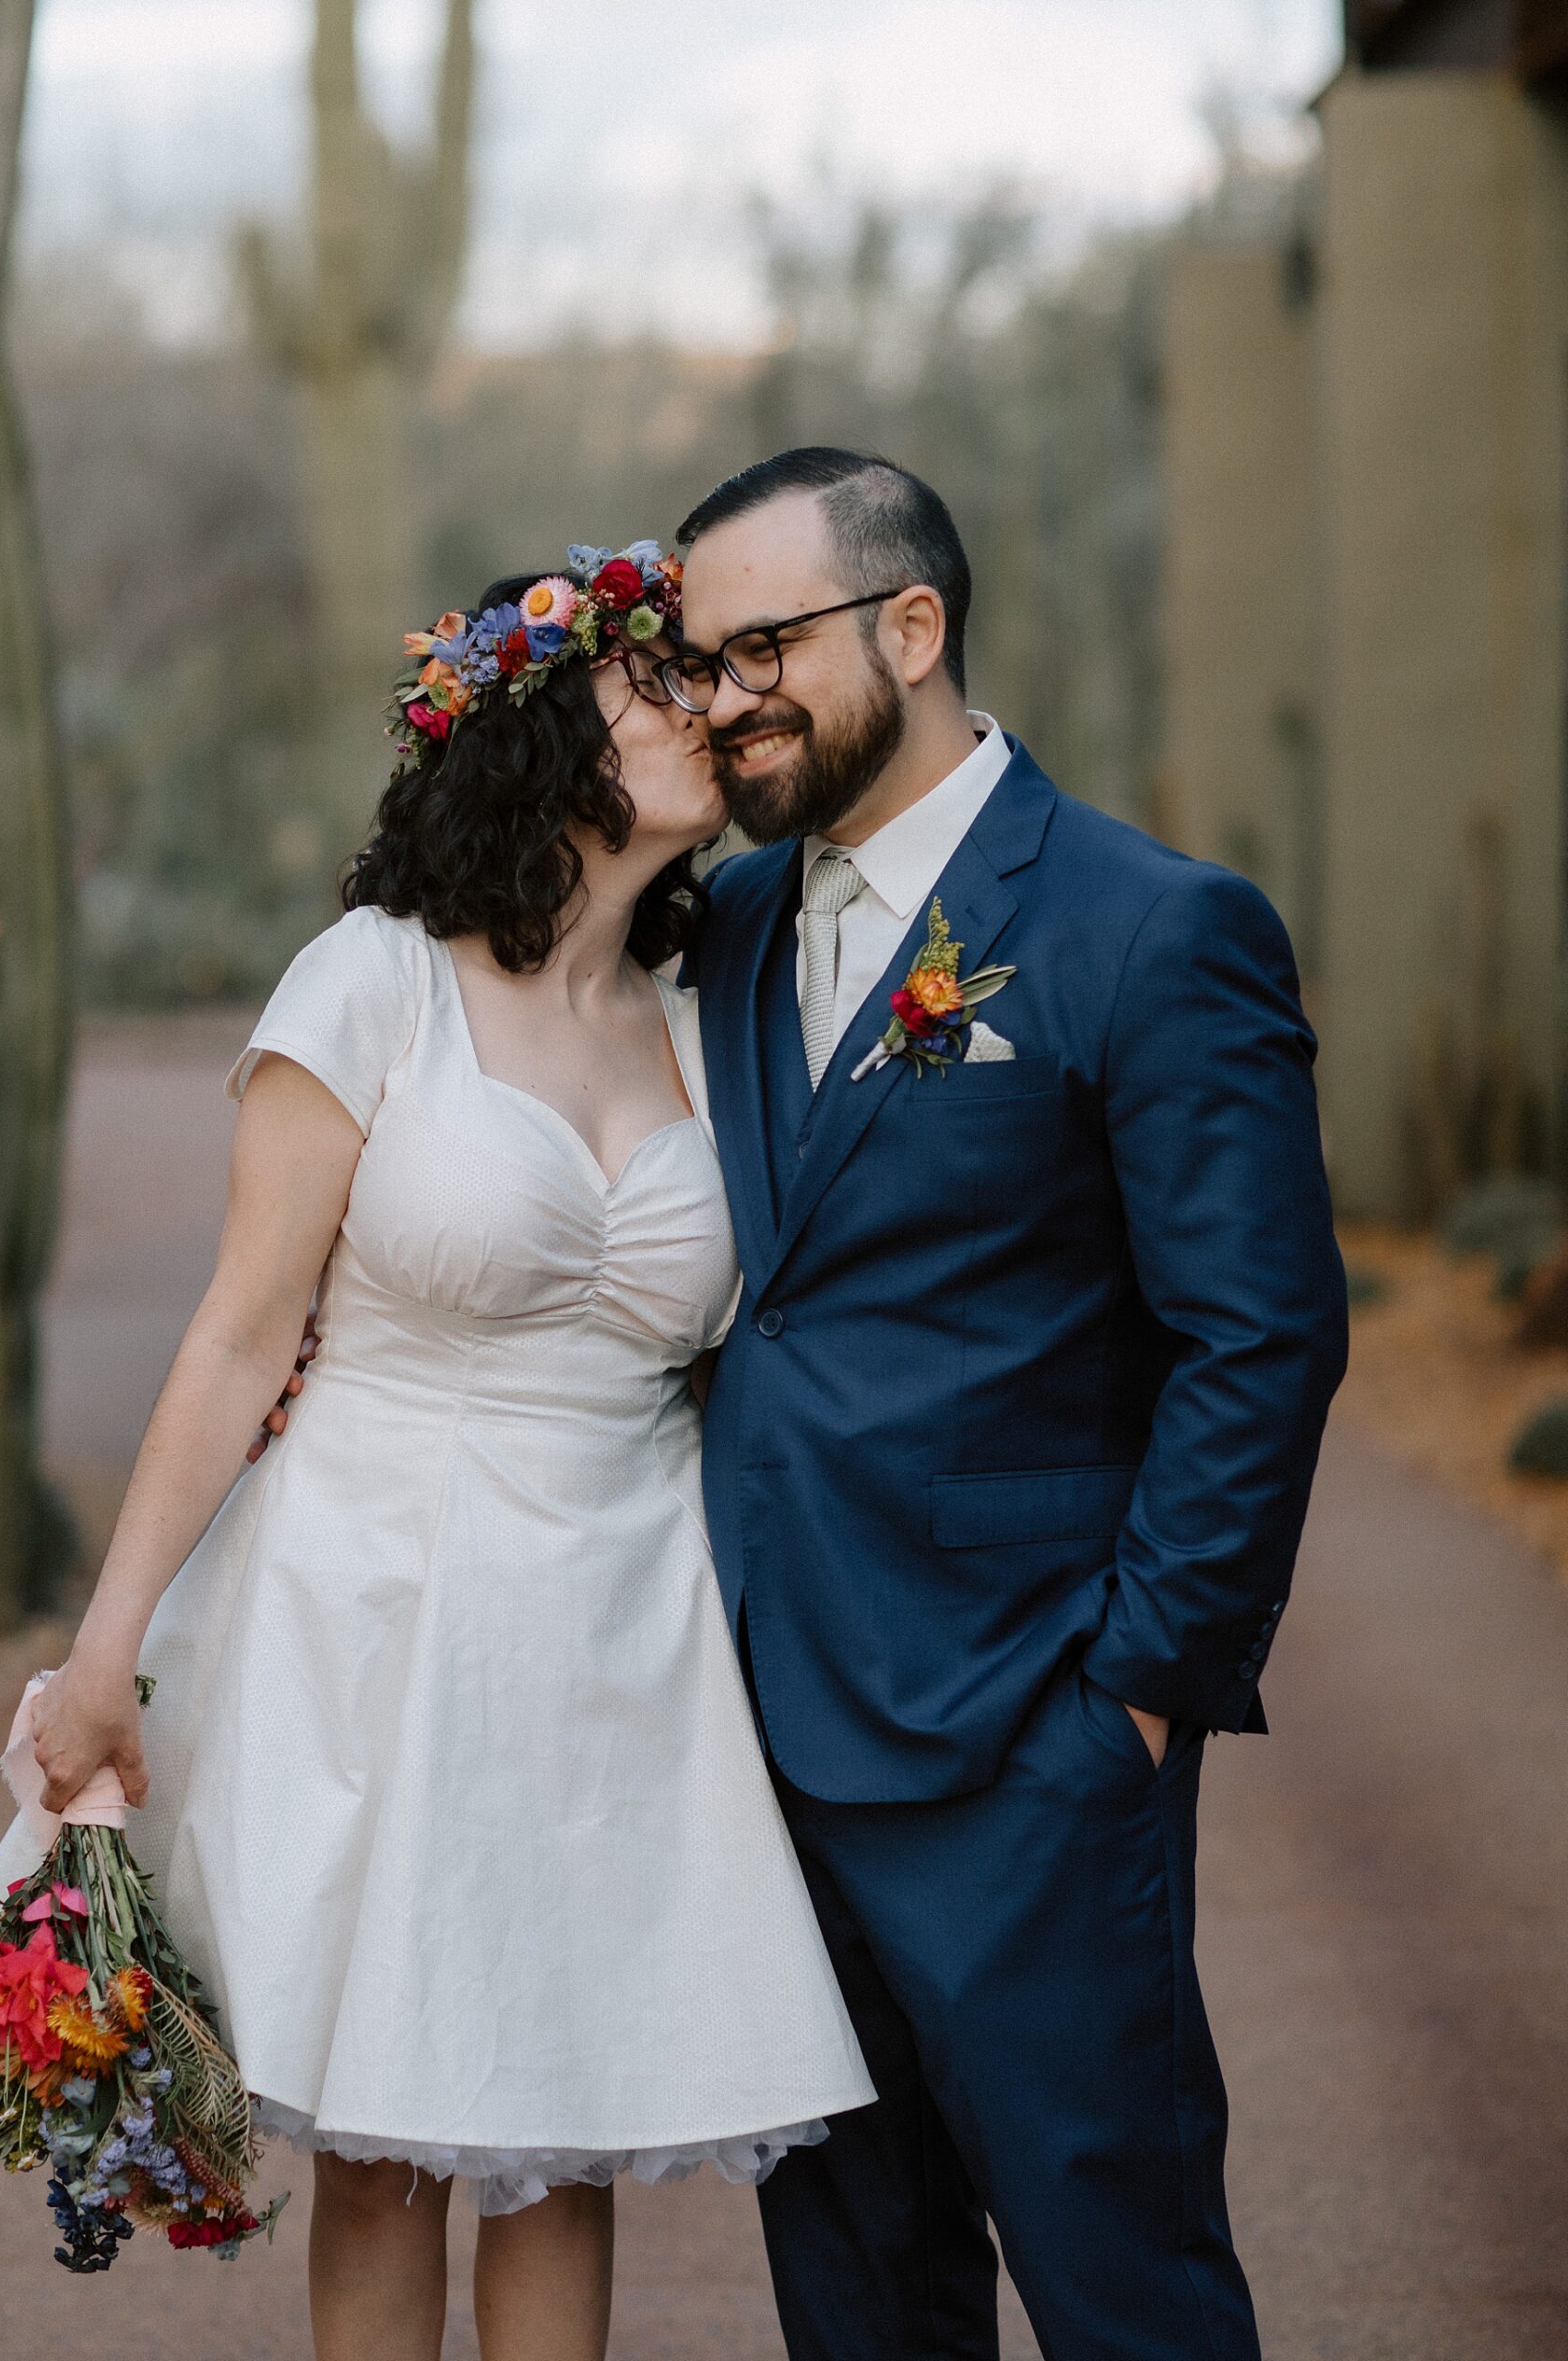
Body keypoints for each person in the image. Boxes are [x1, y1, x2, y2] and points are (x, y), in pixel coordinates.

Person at [0, 544, 873, 2361]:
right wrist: (106, 1646)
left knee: (562, 2141)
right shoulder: (370, 983)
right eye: (658, 683)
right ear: (541, 733)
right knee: (390, 2152)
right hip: (375, 1605)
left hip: (625, 1629)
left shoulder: (710, 1019)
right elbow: (237, 1334)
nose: (707, 710)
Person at [661, 449, 1350, 2361]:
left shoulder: (1151, 927)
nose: (728, 698)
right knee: (859, 2292)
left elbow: (1263, 1335)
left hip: (1030, 1739)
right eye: (703, 661)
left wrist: (1135, 1687)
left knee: (1119, 2275)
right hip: (770, 1735)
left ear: (912, 623)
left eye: (764, 645)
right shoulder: (719, 933)